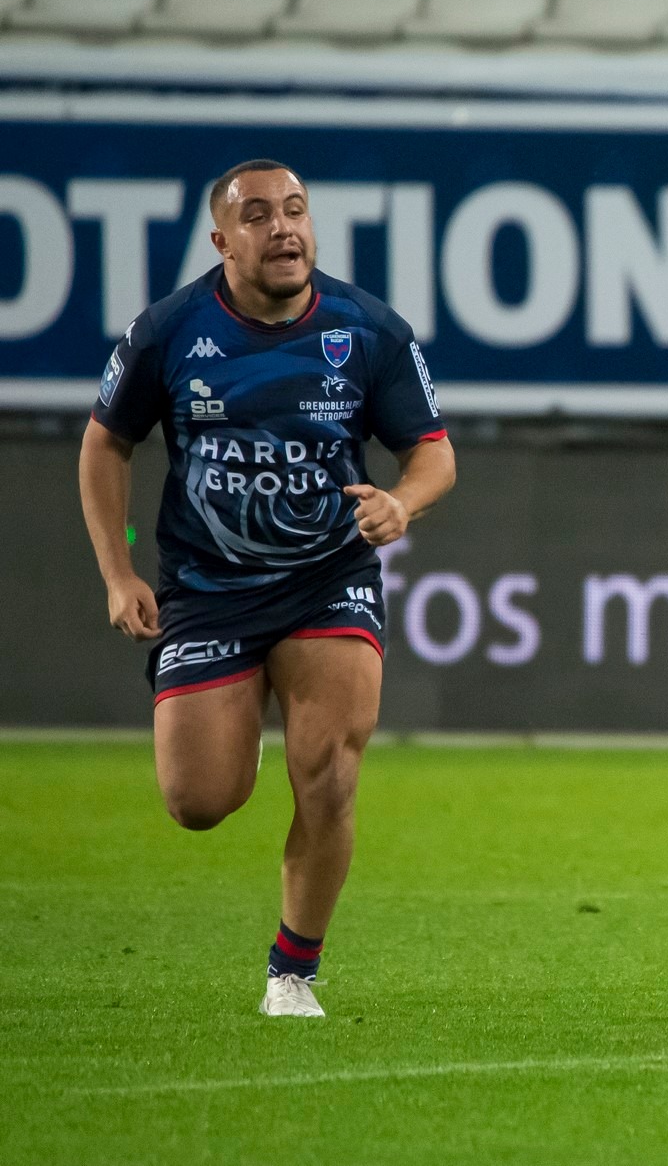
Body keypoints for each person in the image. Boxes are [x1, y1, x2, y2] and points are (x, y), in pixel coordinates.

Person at [78, 160, 456, 1018]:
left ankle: (293, 970)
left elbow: (433, 451)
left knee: (329, 771)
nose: (284, 228)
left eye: (295, 211)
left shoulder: (367, 331)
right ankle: (232, 723)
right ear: (222, 240)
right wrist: (118, 570)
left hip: (328, 578)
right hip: (208, 588)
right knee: (198, 802)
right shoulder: (169, 332)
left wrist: (403, 500)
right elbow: (105, 443)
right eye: (259, 216)